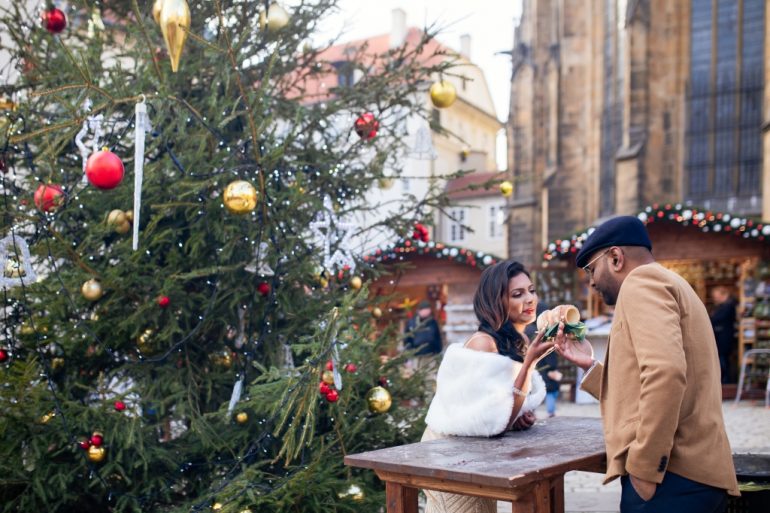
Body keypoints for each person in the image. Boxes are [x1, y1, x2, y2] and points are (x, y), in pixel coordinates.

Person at [555, 216, 739, 513]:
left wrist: (645, 468)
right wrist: (589, 365)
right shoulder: (674, 283)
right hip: (694, 478)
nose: (590, 282)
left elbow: (665, 373)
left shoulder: (641, 282)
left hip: (673, 480)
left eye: (591, 269)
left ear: (615, 257)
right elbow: (655, 379)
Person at [421, 260, 555, 513]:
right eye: (517, 294)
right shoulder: (483, 344)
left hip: (476, 454)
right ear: (496, 301)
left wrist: (518, 416)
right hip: (450, 455)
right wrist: (530, 363)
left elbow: (501, 409)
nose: (530, 299)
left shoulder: (520, 341)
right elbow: (488, 420)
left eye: (531, 290)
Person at [709, 285, 737, 384]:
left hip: (725, 338)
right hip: (722, 337)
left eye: (716, 296)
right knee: (722, 359)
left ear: (723, 295)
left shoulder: (729, 306)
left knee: (723, 360)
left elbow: (716, 319)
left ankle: (726, 380)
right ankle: (725, 379)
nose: (714, 299)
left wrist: (711, 317)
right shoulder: (723, 306)